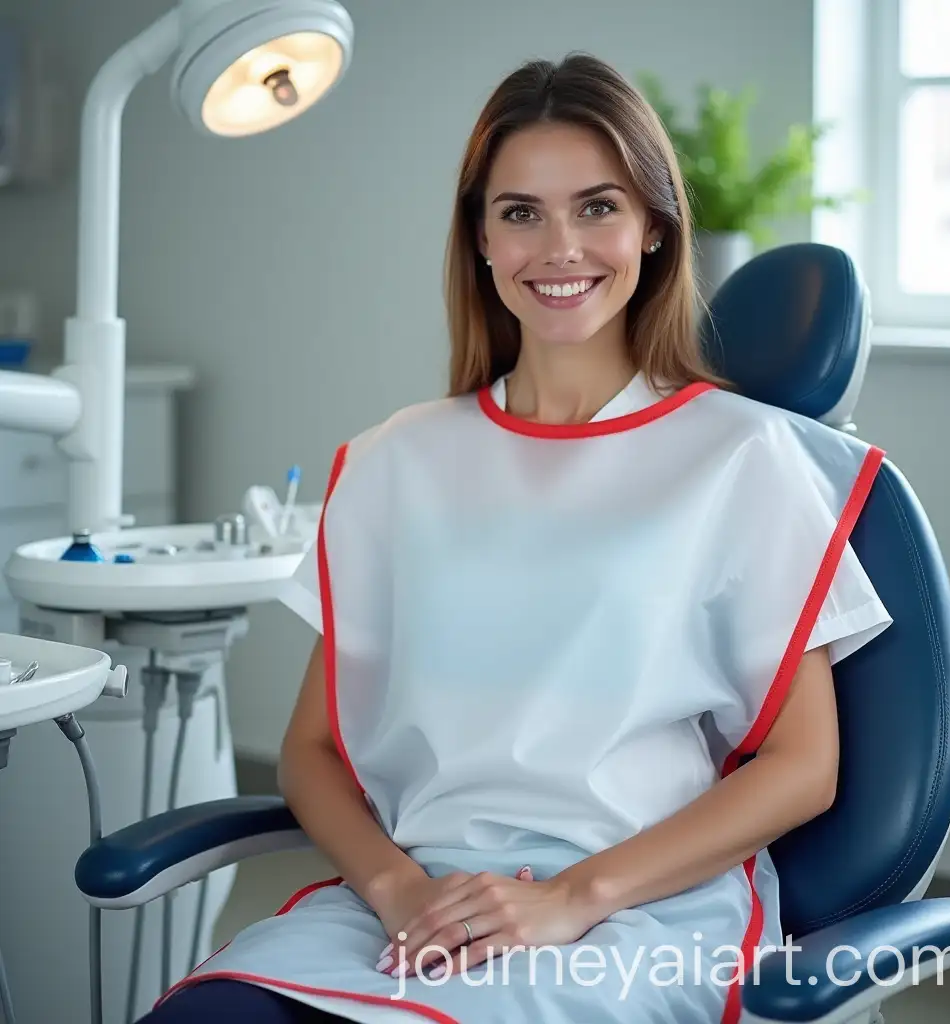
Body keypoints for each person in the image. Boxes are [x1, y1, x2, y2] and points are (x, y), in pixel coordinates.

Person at [139, 52, 891, 1024]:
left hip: (634, 912)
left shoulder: (742, 457)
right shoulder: (393, 462)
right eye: (520, 212)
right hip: (412, 909)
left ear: (653, 228)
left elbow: (804, 763)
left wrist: (570, 898)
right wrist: (399, 892)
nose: (559, 246)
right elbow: (313, 749)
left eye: (597, 206)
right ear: (480, 239)